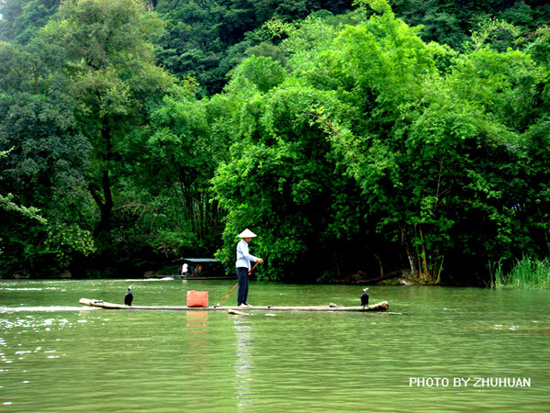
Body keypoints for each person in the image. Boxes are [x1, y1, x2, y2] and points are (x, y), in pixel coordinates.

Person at [236, 229, 263, 307]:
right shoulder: (240, 244)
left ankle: (244, 302)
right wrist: (256, 259)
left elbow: (247, 259)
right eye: (249, 237)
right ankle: (239, 303)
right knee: (242, 285)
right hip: (241, 266)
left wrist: (249, 269)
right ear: (245, 237)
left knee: (246, 285)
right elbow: (246, 255)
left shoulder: (245, 245)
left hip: (245, 266)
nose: (250, 239)